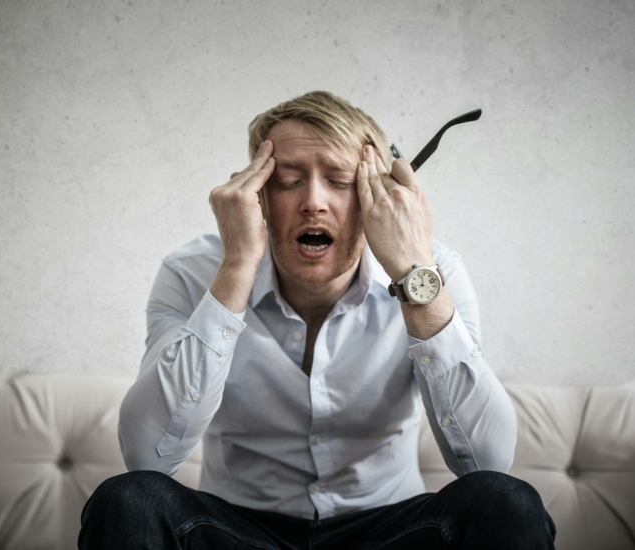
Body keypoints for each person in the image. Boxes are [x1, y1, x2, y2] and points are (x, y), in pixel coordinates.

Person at [79, 91, 556, 549]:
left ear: (378, 196)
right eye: (287, 181)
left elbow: (489, 462)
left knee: (505, 503)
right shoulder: (191, 273)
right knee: (128, 502)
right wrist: (237, 268)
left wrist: (414, 274)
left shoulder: (434, 273)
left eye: (341, 181)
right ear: (258, 197)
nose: (313, 202)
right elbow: (145, 457)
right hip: (238, 531)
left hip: (387, 532)